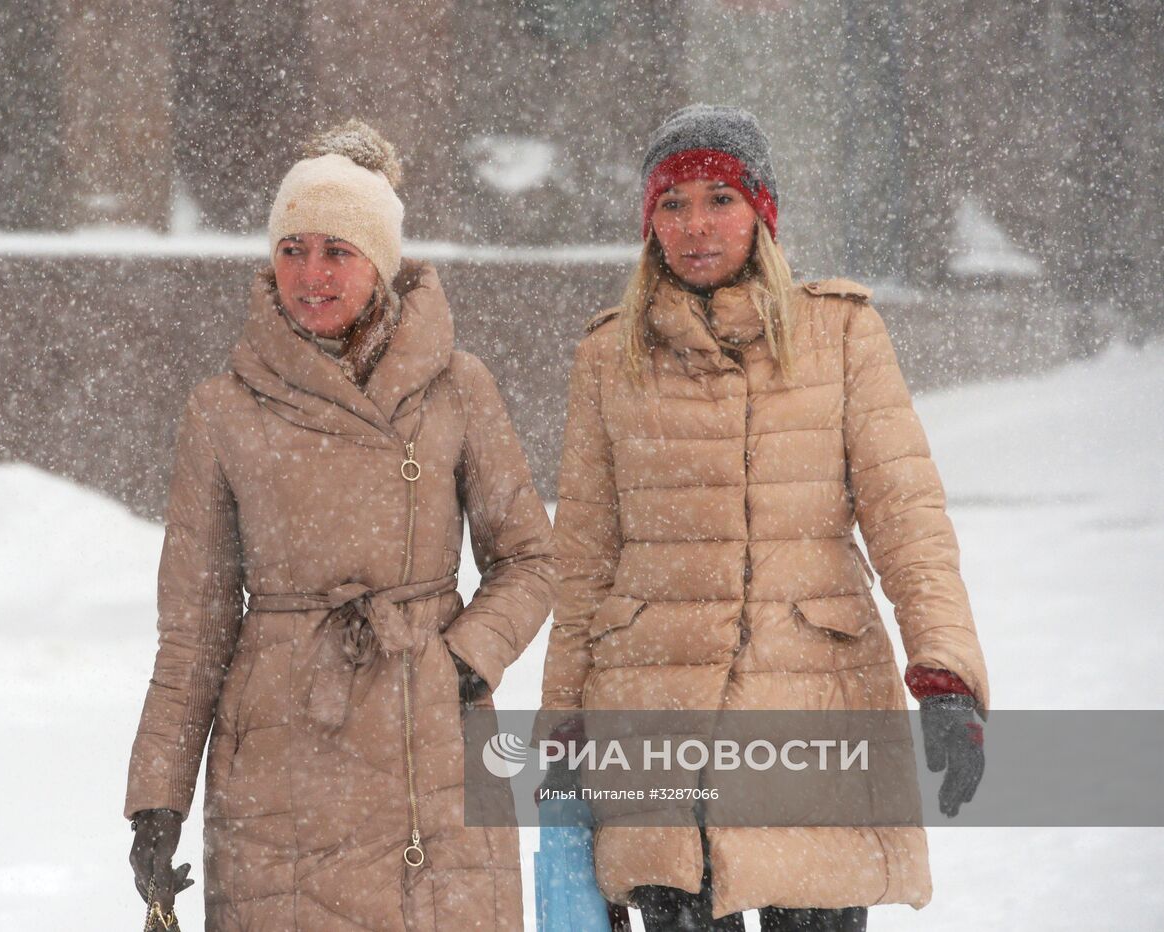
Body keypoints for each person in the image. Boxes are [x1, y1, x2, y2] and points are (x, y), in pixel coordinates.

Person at [540, 105, 990, 931]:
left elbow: (909, 521)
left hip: (811, 708)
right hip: (654, 712)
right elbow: (583, 562)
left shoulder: (841, 333)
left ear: (763, 211)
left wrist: (947, 677)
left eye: (721, 199)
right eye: (672, 205)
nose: (696, 225)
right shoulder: (609, 357)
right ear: (649, 224)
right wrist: (564, 728)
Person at [124, 119, 556, 930]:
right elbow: (195, 628)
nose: (310, 275)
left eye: (337, 252)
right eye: (292, 249)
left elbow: (530, 558)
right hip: (281, 755)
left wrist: (462, 661)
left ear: (380, 263)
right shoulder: (222, 409)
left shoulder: (456, 387)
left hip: (429, 742)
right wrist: (157, 797)